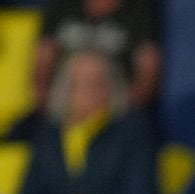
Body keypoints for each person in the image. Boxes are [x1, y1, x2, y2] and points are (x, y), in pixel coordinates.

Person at [13, 48, 157, 194]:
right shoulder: (47, 133)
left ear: (111, 86)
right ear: (64, 88)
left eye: (95, 82)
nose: (86, 91)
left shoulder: (132, 131)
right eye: (77, 83)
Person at [33, 0, 161, 115]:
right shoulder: (61, 5)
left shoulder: (140, 8)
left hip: (116, 107)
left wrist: (120, 113)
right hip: (63, 106)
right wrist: (47, 106)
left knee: (93, 66)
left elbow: (147, 73)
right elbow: (43, 60)